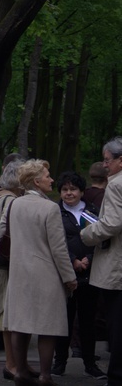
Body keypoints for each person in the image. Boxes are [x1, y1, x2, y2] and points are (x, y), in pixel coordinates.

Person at [1, 159, 77, 385]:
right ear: (36, 181)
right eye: (47, 175)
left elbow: (4, 234)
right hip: (46, 274)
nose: (52, 179)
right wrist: (69, 277)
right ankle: (45, 375)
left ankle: (21, 371)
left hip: (19, 272)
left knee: (20, 323)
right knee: (47, 326)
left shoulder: (13, 204)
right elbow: (59, 249)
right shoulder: (50, 208)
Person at [49, 171, 105, 379]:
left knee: (88, 321)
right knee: (63, 320)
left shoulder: (92, 210)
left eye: (73, 189)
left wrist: (88, 259)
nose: (69, 193)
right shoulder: (54, 212)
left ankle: (90, 363)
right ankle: (59, 362)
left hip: (90, 273)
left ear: (82, 191)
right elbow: (55, 240)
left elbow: (101, 236)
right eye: (65, 189)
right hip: (65, 275)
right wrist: (72, 260)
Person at [81, 136, 122, 385]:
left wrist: (87, 233)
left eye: (107, 160)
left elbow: (113, 223)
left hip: (116, 266)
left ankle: (116, 377)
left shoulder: (116, 185)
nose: (104, 165)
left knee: (116, 327)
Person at [0, 159, 24, 380]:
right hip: (6, 266)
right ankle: (11, 364)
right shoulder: (9, 201)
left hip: (1, 267)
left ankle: (14, 364)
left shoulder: (1, 197)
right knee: (8, 317)